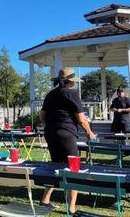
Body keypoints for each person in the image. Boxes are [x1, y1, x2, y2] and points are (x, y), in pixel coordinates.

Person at [39, 68, 96, 212]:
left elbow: (42, 117)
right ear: (71, 81)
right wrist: (89, 132)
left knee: (55, 166)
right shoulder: (72, 93)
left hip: (51, 133)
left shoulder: (50, 94)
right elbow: (81, 119)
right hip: (66, 134)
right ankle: (71, 208)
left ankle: (45, 200)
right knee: (73, 168)